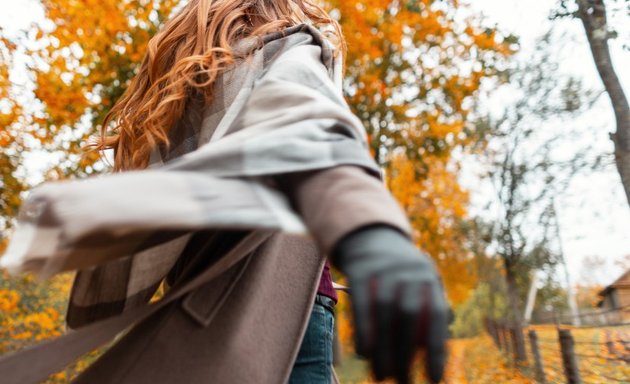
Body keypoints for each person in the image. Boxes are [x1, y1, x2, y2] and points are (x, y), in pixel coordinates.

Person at [0, 1, 448, 383]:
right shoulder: (282, 47)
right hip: (277, 318)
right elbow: (308, 126)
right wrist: (373, 236)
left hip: (202, 322)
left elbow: (113, 284)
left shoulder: (181, 91)